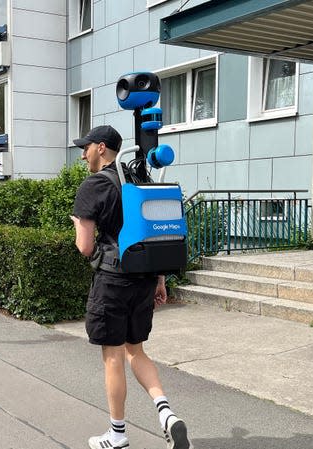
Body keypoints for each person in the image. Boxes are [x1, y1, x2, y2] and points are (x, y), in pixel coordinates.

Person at [71, 125, 192, 449]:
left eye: (85, 148)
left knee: (113, 357)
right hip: (146, 279)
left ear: (100, 148)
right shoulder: (142, 178)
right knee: (136, 350)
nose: (82, 155)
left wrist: (77, 227)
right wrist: (160, 280)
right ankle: (166, 414)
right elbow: (153, 232)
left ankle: (118, 434)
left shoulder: (94, 185)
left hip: (112, 281)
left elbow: (84, 247)